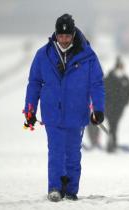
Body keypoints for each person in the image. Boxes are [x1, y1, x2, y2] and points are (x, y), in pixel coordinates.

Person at [23, 14, 105, 202]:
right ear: (56, 34)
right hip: (52, 113)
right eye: (61, 36)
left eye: (68, 36)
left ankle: (70, 190)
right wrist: (29, 110)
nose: (64, 40)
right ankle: (55, 188)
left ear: (73, 34)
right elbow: (34, 83)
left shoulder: (88, 56)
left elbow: (97, 84)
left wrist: (98, 109)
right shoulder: (43, 55)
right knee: (56, 152)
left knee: (73, 154)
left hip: (76, 113)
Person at [105, 56, 129, 152]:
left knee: (114, 125)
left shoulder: (125, 78)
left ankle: (112, 143)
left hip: (119, 106)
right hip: (109, 106)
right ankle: (112, 143)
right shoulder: (109, 77)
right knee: (112, 125)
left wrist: (125, 103)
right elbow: (103, 91)